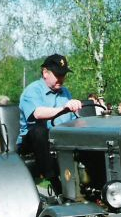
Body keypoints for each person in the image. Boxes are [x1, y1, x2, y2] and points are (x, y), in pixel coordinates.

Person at [18, 53, 81, 195]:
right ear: (45, 72)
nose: (61, 78)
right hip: (32, 143)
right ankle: (53, 180)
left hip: (60, 138)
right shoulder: (32, 90)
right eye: (58, 74)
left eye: (63, 75)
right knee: (39, 130)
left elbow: (74, 118)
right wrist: (64, 108)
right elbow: (37, 113)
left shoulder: (65, 92)